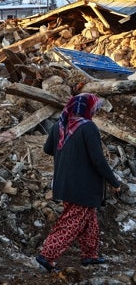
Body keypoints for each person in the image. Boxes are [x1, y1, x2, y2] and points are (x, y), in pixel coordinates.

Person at [36, 93, 122, 273]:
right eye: (94, 107)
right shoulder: (88, 127)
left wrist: (69, 156)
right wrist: (114, 182)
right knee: (72, 222)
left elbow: (47, 149)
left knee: (89, 219)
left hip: (63, 182)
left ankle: (90, 254)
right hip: (82, 186)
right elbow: (98, 160)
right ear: (87, 108)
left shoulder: (60, 125)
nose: (95, 110)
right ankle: (47, 255)